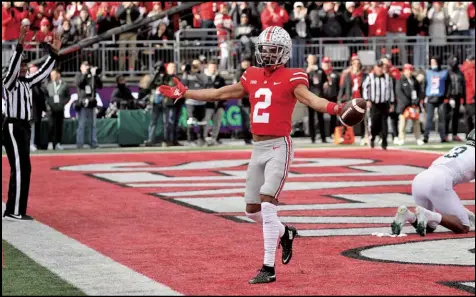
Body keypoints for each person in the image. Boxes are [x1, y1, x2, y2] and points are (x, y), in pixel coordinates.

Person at [159, 26, 348, 285]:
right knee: (251, 209)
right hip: (257, 149)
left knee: (268, 201)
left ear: (284, 53)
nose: (268, 53)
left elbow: (311, 100)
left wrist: (336, 108)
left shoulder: (293, 76)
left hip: (278, 147)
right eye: (265, 48)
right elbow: (220, 93)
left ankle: (268, 267)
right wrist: (186, 93)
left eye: (274, 49)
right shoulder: (252, 75)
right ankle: (285, 233)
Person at [2, 26, 60, 221]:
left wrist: (53, 54)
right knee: (19, 167)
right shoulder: (10, 82)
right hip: (13, 125)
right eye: (22, 65)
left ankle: (15, 208)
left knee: (23, 168)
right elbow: (11, 70)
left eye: (26, 65)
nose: (25, 68)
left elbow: (43, 72)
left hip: (24, 126)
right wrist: (19, 46)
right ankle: (14, 211)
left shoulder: (27, 82)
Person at [391, 129, 475, 236]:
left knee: (429, 227)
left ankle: (409, 216)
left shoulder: (459, 148)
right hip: (438, 181)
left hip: (420, 179)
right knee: (463, 226)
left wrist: (461, 210)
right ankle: (426, 214)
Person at [362, 61, 395, 149]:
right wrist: (367, 100)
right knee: (374, 123)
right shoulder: (370, 77)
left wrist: (391, 103)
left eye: (381, 67)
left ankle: (384, 141)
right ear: (375, 68)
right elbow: (365, 88)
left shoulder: (388, 77)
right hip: (374, 104)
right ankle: (372, 138)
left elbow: (391, 91)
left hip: (384, 104)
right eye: (378, 67)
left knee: (384, 124)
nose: (380, 69)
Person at [423, 56, 451, 143]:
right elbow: (424, 85)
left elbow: (448, 86)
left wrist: (447, 97)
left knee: (442, 118)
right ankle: (426, 136)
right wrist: (423, 96)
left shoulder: (444, 73)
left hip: (441, 98)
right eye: (431, 62)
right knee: (429, 118)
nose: (433, 64)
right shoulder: (428, 72)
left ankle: (443, 136)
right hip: (430, 98)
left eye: (434, 62)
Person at [75, 61, 103, 149]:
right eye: (85, 66)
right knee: (81, 124)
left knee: (93, 125)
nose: (87, 67)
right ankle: (80, 143)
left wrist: (95, 76)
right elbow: (79, 83)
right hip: (83, 103)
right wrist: (84, 74)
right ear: (81, 67)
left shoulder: (92, 77)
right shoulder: (79, 75)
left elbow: (100, 86)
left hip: (92, 103)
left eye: (88, 66)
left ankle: (93, 142)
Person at [395, 64, 424, 145]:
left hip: (414, 105)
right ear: (404, 71)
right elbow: (399, 93)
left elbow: (419, 92)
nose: (409, 72)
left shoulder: (414, 80)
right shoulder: (400, 80)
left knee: (416, 122)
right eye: (407, 70)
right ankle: (401, 138)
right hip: (404, 106)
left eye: (410, 70)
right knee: (403, 123)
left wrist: (416, 102)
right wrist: (407, 103)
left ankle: (418, 138)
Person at [45, 69, 69, 150]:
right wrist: (48, 104)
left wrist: (63, 103)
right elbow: (46, 96)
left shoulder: (64, 84)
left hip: (60, 108)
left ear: (58, 74)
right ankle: (50, 142)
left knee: (59, 126)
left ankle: (58, 143)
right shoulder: (48, 84)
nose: (53, 76)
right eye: (51, 75)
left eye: (54, 74)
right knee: (51, 125)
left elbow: (67, 96)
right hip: (51, 108)